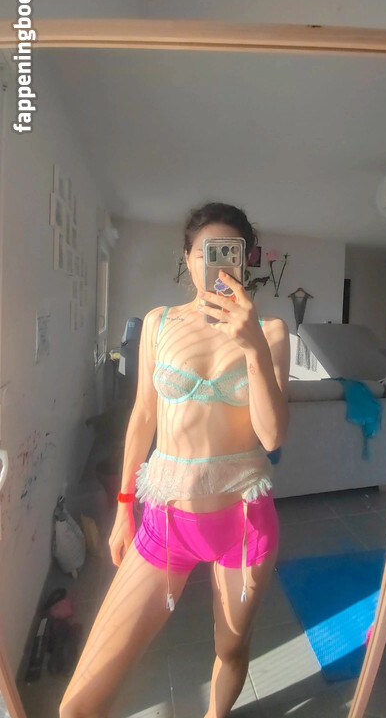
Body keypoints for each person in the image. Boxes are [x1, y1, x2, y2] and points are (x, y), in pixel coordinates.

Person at [59, 201, 290, 718]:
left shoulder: (271, 332)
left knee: (231, 648)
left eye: (230, 252)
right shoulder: (159, 323)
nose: (219, 263)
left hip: (244, 524)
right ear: (187, 258)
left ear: (246, 260)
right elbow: (143, 416)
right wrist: (123, 508)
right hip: (165, 523)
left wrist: (253, 347)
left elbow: (273, 436)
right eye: (207, 252)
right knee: (77, 705)